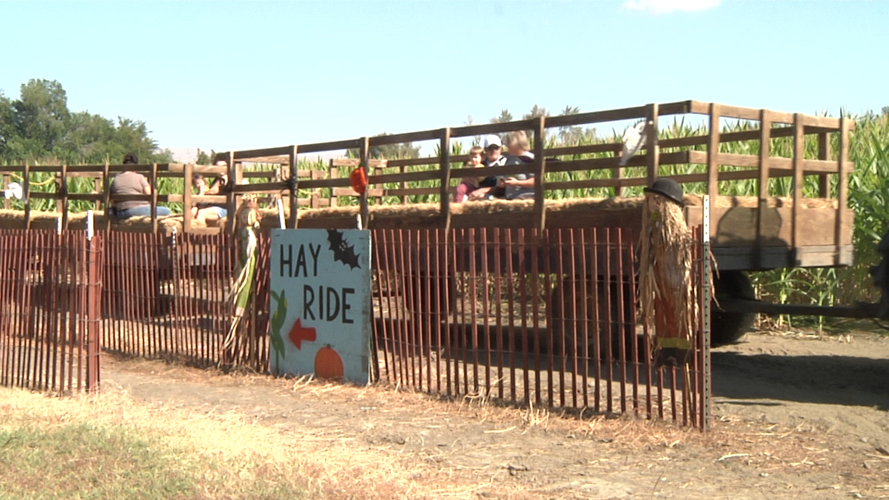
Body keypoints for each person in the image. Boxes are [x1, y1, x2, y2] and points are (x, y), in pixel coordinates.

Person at [109, 153, 172, 219]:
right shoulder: (139, 177)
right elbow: (149, 194)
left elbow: (112, 199)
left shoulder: (116, 178)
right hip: (136, 210)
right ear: (136, 166)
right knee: (167, 211)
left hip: (120, 212)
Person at [496, 130, 536, 200]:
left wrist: (517, 183)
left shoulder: (530, 159)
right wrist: (503, 182)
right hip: (510, 198)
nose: (506, 145)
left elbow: (536, 181)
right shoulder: (510, 159)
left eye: (508, 142)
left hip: (526, 197)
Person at [467, 135, 507, 201]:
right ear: (485, 149)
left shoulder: (505, 163)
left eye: (496, 147)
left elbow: (503, 188)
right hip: (478, 196)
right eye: (490, 148)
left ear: (500, 148)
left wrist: (482, 191)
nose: (493, 150)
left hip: (498, 197)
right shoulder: (479, 164)